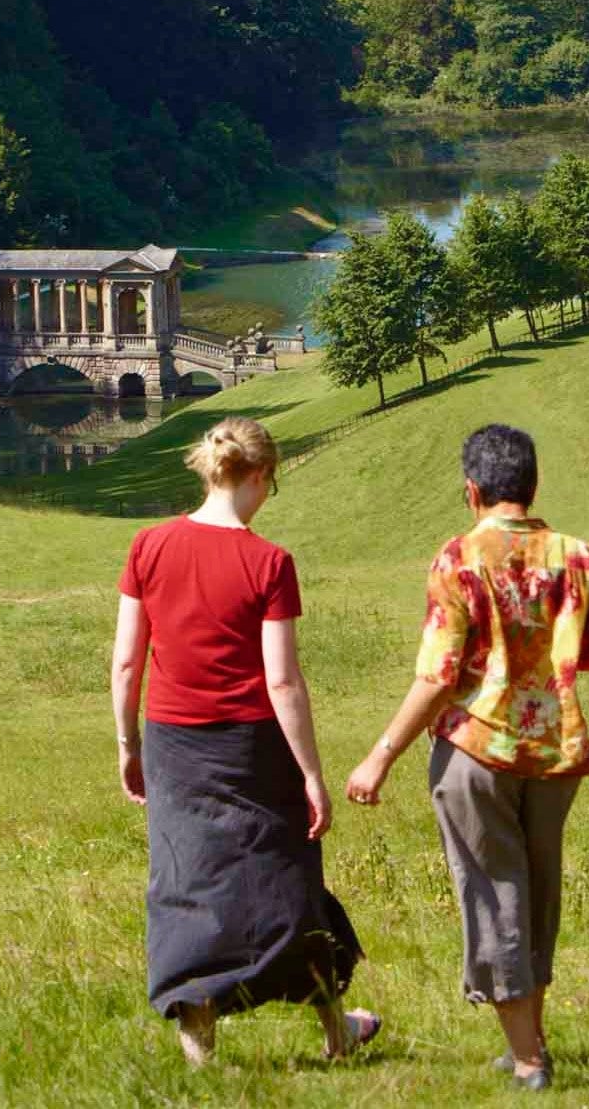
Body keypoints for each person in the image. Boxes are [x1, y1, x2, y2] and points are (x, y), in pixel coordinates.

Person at [344, 424, 589, 1093]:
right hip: (555, 753)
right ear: (531, 486)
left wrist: (379, 756)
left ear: (473, 491)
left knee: (495, 895)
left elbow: (440, 676)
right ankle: (528, 1037)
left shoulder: (459, 558)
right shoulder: (578, 558)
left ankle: (529, 1061)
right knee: (535, 893)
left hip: (475, 753)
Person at [111, 416, 379, 1067]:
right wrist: (312, 774)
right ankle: (335, 1034)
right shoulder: (269, 561)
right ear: (258, 476)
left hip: (173, 742)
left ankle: (200, 1050)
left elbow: (125, 663)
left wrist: (128, 744)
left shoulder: (148, 546)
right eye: (272, 484)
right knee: (288, 886)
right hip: (255, 747)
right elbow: (282, 681)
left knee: (186, 883)